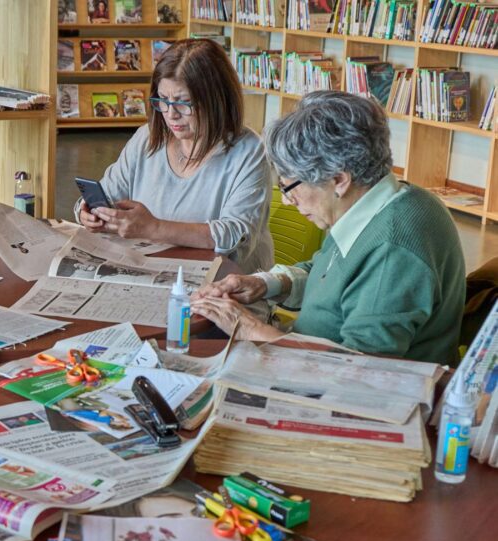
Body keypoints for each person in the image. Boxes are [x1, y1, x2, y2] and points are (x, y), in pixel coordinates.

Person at [191, 91, 466, 365]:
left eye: (289, 187)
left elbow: (359, 368)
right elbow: (331, 272)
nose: (286, 201)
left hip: (336, 379)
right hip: (306, 356)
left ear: (339, 180)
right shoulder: (383, 202)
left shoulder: (392, 252)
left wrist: (249, 328)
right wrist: (266, 283)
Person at [77, 39, 274, 275]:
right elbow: (108, 193)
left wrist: (154, 228)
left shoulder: (249, 151)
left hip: (223, 283)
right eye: (162, 100)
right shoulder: (147, 137)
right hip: (152, 270)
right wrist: (89, 212)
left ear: (216, 100)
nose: (171, 114)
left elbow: (235, 235)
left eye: (183, 102)